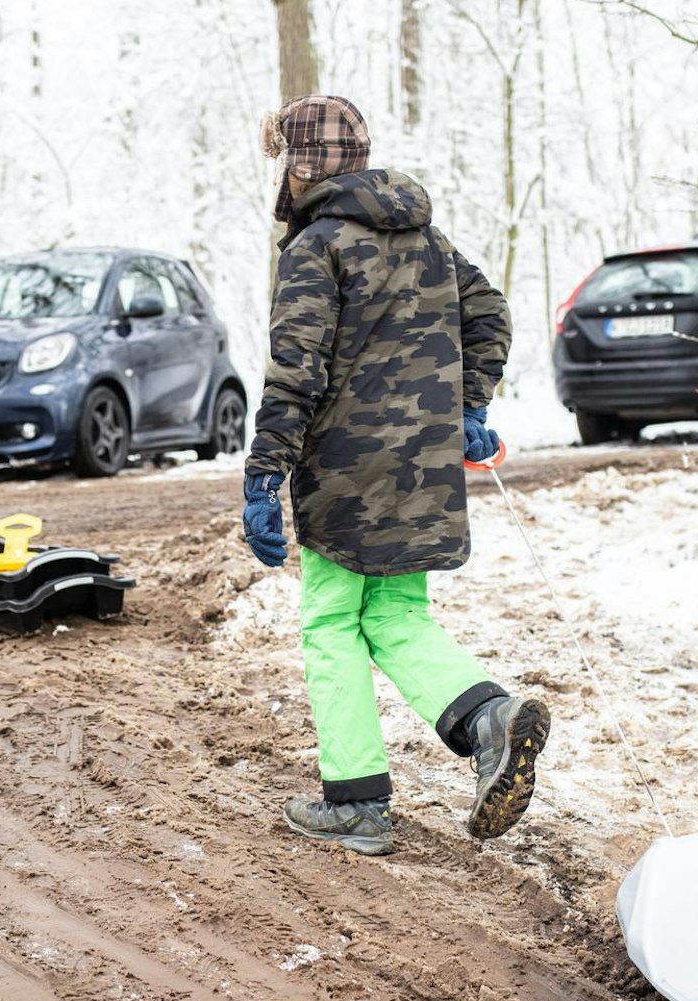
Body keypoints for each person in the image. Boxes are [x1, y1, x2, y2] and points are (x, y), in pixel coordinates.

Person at [242, 95, 551, 856]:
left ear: (303, 165)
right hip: (425, 472)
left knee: (330, 623)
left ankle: (356, 800)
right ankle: (488, 720)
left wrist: (263, 473)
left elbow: (296, 372)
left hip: (345, 477)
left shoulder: (316, 247)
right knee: (397, 617)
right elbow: (491, 315)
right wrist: (467, 406)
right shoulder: (428, 239)